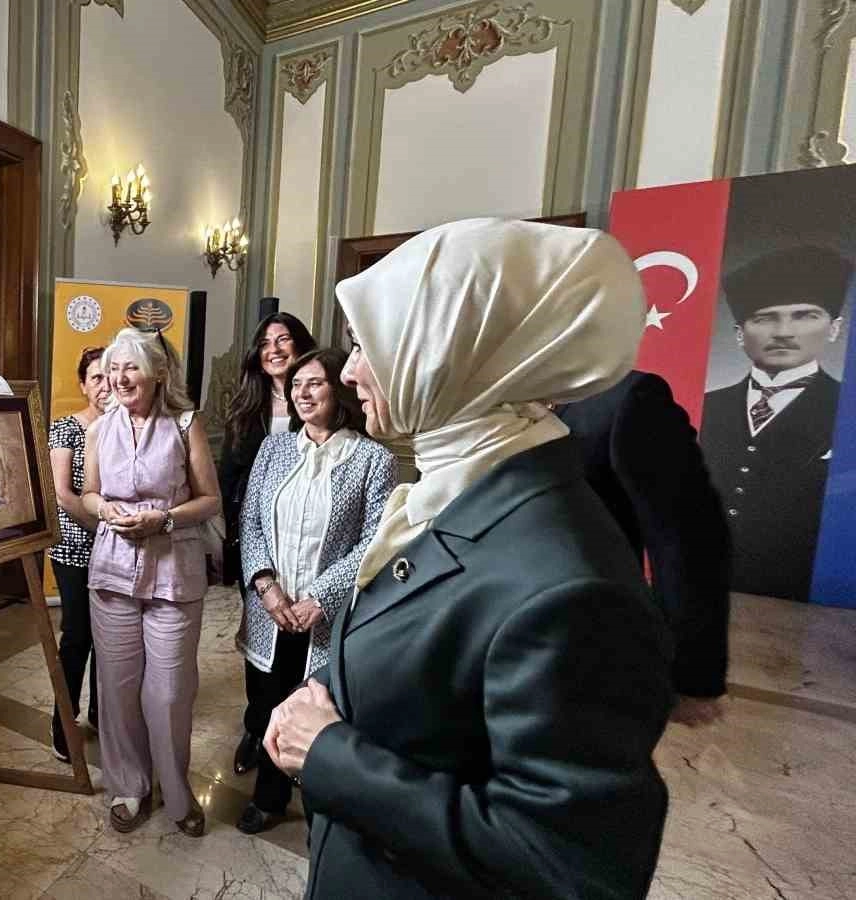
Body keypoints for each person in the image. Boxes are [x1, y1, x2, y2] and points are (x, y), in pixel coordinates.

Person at [265, 218, 674, 899]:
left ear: (449, 354)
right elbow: (436, 665)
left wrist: (330, 754)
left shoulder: (569, 586)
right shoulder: (457, 486)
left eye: (368, 344)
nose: (351, 370)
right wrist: (328, 692)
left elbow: (567, 868)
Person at [233, 347, 395, 834]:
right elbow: (251, 519)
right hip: (270, 610)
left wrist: (321, 597)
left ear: (339, 390)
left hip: (327, 616)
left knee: (320, 711)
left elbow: (375, 541)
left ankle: (322, 813)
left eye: (314, 383)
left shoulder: (373, 459)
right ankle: (269, 797)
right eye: (296, 385)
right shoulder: (274, 448)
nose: (301, 394)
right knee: (268, 705)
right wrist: (266, 586)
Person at [80, 327, 221, 837]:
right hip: (112, 569)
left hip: (173, 572)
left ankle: (176, 793)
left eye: (130, 368)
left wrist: (163, 520)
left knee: (169, 692)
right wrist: (105, 509)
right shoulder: (100, 429)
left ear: (158, 373)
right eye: (113, 369)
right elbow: (89, 493)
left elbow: (210, 500)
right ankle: (130, 787)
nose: (119, 378)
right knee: (117, 690)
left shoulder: (185, 424)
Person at [558, 371, 731, 726]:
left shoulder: (628, 399)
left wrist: (690, 677)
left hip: (589, 647)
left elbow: (686, 540)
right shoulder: (468, 393)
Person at [700, 245, 850, 602]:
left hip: (801, 599)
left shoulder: (848, 412)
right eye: (764, 318)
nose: (783, 332)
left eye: (804, 315)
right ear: (740, 334)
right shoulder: (704, 405)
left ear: (834, 328)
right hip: (701, 587)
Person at [217, 312, 317, 775]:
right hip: (255, 538)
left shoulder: (320, 401)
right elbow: (228, 476)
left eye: (284, 340)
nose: (273, 349)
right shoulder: (247, 407)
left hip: (310, 537)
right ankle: (257, 727)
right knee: (260, 639)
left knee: (301, 643)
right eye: (265, 343)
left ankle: (295, 734)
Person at [47, 346, 109, 762]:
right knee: (77, 636)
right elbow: (63, 495)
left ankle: (102, 714)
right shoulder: (66, 428)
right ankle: (63, 725)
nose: (105, 386)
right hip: (74, 550)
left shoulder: (125, 427)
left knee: (111, 638)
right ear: (83, 385)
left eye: (110, 377)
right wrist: (103, 530)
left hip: (116, 554)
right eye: (96, 378)